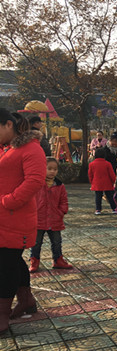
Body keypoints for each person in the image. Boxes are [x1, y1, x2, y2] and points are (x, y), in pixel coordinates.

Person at [0, 110, 47, 331]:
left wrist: (9, 201)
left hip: (15, 217)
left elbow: (35, 180)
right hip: (3, 216)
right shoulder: (6, 148)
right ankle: (26, 300)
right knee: (11, 259)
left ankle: (2, 314)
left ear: (8, 124)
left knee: (5, 264)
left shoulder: (31, 148)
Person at [29, 156, 72, 274]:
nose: (52, 171)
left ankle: (58, 260)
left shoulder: (59, 185)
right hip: (38, 219)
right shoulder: (37, 184)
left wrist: (61, 211)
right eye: (49, 169)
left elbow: (64, 200)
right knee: (36, 242)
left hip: (55, 219)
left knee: (57, 242)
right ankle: (34, 261)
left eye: (55, 169)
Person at [88, 148, 117, 215]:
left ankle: (98, 209)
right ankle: (114, 208)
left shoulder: (91, 164)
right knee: (110, 196)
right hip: (107, 183)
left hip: (97, 183)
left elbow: (90, 175)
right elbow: (112, 174)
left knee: (98, 197)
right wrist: (114, 181)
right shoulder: (108, 164)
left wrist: (92, 182)